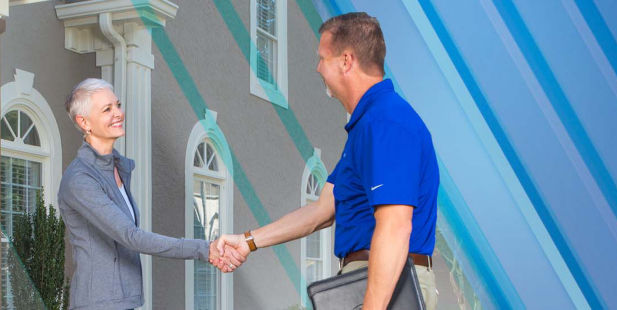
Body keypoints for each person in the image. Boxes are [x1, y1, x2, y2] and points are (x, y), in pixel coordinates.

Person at [208, 12, 450, 310]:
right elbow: (322, 210)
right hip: (366, 282)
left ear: (346, 61)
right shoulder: (366, 127)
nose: (318, 67)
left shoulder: (387, 122)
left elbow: (396, 225)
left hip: (391, 286)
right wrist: (248, 241)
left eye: (323, 58)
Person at [58, 78, 243, 309]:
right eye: (107, 109)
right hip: (98, 303)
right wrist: (204, 249)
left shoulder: (115, 168)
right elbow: (131, 237)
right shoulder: (80, 179)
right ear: (84, 122)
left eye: (118, 105)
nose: (118, 113)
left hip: (123, 301)